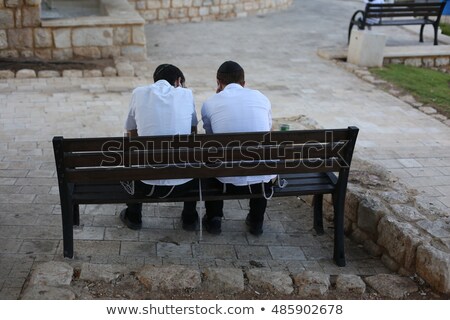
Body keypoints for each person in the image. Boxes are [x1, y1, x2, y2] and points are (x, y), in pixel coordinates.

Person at [120, 64, 199, 231]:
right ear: (178, 81)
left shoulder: (138, 93)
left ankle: (134, 215)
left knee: (131, 152)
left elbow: (131, 131)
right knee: (193, 154)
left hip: (145, 183)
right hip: (183, 183)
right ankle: (189, 217)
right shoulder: (187, 94)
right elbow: (193, 132)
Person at [201, 61, 275, 236]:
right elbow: (268, 130)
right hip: (260, 181)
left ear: (218, 82)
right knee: (260, 159)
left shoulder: (210, 103)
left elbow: (211, 138)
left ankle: (214, 219)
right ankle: (257, 220)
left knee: (211, 156)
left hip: (225, 180)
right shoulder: (261, 97)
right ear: (243, 83)